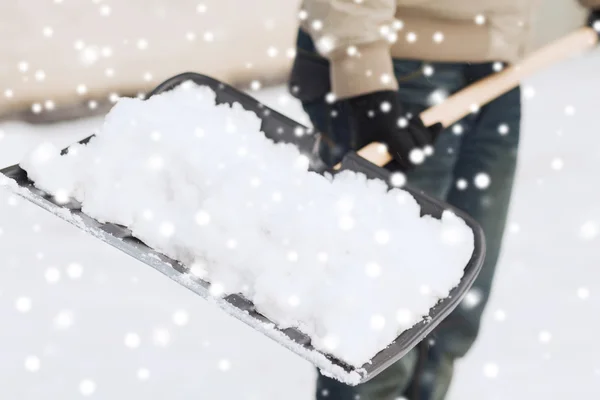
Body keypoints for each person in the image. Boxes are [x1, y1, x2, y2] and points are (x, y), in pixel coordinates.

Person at [288, 1, 600, 399]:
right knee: (379, 325)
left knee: (453, 311)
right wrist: (367, 81)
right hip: (399, 69)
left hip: (496, 68)